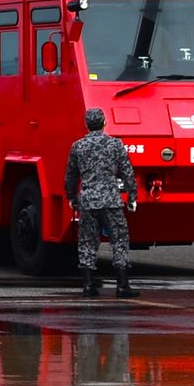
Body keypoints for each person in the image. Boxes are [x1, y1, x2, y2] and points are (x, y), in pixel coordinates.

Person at [64, 108, 139, 297]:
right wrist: (131, 197)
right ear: (104, 122)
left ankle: (89, 285)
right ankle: (122, 286)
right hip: (111, 201)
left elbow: (70, 176)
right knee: (119, 241)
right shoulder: (115, 144)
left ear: (86, 124)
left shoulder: (78, 146)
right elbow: (127, 173)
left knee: (87, 243)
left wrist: (72, 198)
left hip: (88, 202)